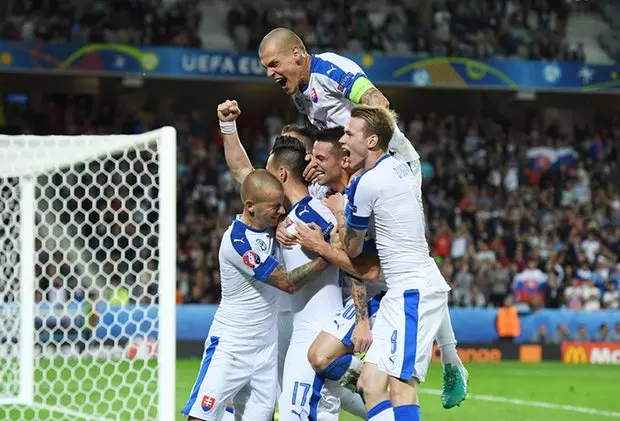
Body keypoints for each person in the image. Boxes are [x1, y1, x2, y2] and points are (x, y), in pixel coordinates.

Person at [259, 27, 467, 410]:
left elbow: (377, 104)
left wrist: (370, 161)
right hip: (354, 172)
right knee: (382, 259)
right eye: (265, 67)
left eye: (274, 63)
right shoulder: (301, 94)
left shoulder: (330, 70)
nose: (270, 73)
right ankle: (381, 373)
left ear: (297, 54)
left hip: (390, 165)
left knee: (405, 261)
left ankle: (451, 360)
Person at [216, 99, 380, 420]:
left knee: (303, 408)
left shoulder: (320, 210)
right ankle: (376, 395)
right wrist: (228, 126)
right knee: (303, 407)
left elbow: (355, 260)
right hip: (289, 322)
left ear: (282, 172)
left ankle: (372, 382)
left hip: (315, 324)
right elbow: (241, 171)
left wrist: (327, 249)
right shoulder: (279, 213)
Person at [326, 105, 453, 421]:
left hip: (412, 290)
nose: (343, 140)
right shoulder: (403, 166)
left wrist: (340, 213)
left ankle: (453, 364)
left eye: (349, 133)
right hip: (403, 291)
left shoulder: (366, 184)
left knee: (401, 389)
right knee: (369, 384)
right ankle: (453, 362)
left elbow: (353, 250)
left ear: (371, 141)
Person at [180, 169, 332, 421]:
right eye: (275, 206)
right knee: (201, 416)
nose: (281, 211)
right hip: (232, 346)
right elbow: (286, 282)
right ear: (250, 206)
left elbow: (243, 168)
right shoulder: (238, 241)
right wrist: (327, 255)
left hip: (266, 351)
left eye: (281, 204)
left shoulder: (272, 226)